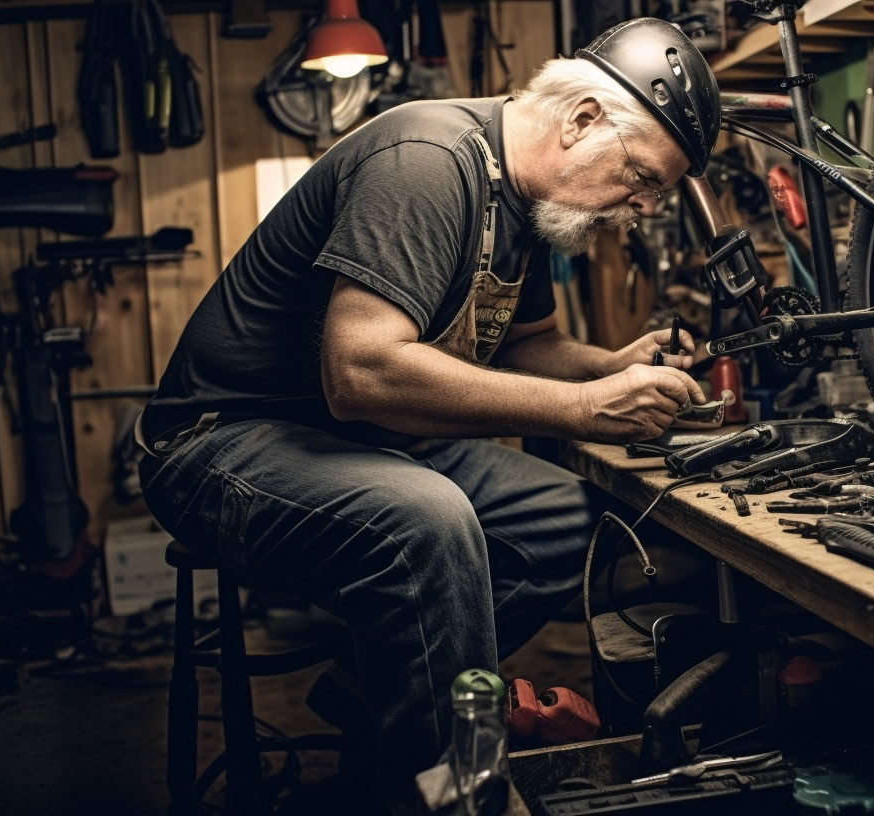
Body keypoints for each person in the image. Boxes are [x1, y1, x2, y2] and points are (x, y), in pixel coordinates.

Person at [136, 18, 720, 804]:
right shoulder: (429, 162)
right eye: (643, 176)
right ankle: (459, 793)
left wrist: (612, 368)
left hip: (354, 438)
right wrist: (581, 407)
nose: (645, 206)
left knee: (576, 522)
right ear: (582, 120)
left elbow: (527, 346)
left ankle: (374, 694)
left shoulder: (528, 201)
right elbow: (363, 371)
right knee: (428, 520)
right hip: (220, 443)